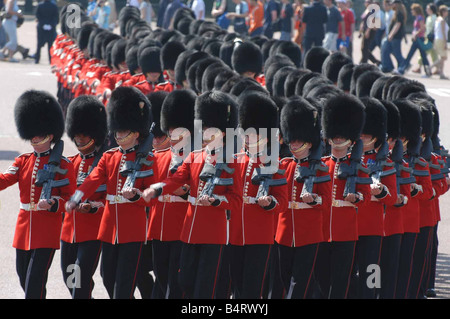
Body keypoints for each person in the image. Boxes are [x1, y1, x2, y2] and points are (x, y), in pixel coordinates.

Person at [143, 91, 243, 299]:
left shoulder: (232, 161)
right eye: (205, 128)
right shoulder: (194, 157)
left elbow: (236, 200)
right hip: (189, 231)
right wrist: (157, 189)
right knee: (184, 280)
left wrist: (217, 201)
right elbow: (177, 179)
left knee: (204, 287)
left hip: (214, 232)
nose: (206, 132)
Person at [65, 87, 158, 299]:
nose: (117, 136)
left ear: (136, 133)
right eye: (116, 131)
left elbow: (153, 195)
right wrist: (77, 196)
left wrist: (136, 196)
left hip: (132, 228)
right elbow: (93, 179)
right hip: (109, 228)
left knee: (124, 284)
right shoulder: (109, 157)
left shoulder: (148, 160)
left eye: (122, 132)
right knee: (108, 277)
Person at [0, 90, 76, 299]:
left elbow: (70, 197)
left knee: (34, 282)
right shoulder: (23, 161)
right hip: (24, 229)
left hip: (47, 230)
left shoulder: (63, 164)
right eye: (32, 133)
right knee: (24, 279)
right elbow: (4, 180)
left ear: (50, 135)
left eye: (39, 134)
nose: (34, 137)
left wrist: (53, 204)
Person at [315, 94, 371, 299]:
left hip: (346, 230)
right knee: (322, 278)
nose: (338, 140)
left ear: (350, 139)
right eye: (335, 136)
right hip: (321, 230)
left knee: (341, 280)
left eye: (341, 137)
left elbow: (365, 196)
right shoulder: (320, 165)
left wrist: (356, 198)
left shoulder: (359, 167)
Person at [277, 96, 330, 299]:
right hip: (283, 231)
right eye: (292, 139)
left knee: (301, 281)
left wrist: (314, 200)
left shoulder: (320, 168)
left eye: (299, 140)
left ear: (309, 142)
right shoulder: (284, 165)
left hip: (308, 231)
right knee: (285, 276)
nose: (294, 143)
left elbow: (326, 201)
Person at [61, 95, 107, 299]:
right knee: (70, 278)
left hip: (92, 230)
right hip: (69, 230)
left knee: (80, 278)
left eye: (83, 135)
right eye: (77, 135)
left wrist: (93, 206)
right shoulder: (69, 163)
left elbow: (109, 199)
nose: (79, 139)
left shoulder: (104, 164)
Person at [396, 3, 431, 77]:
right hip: (416, 39)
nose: (411, 11)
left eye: (412, 10)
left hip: (419, 39)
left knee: (419, 56)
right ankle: (402, 69)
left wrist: (415, 34)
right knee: (415, 55)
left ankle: (402, 69)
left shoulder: (420, 18)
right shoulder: (417, 17)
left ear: (416, 10)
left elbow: (422, 28)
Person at [380, 0, 406, 73]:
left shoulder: (399, 13)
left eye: (393, 3)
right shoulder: (396, 12)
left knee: (397, 53)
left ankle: (401, 68)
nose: (391, 4)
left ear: (397, 4)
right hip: (393, 36)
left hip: (396, 37)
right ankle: (387, 67)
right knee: (386, 50)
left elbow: (398, 24)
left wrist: (391, 34)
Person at [413, 3, 438, 75]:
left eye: (427, 8)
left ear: (431, 9)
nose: (426, 10)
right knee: (434, 54)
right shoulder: (429, 17)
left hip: (431, 38)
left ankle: (419, 67)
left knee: (424, 53)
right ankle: (437, 68)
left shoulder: (434, 17)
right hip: (428, 37)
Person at [33, 0, 59, 64]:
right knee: (50, 44)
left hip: (41, 27)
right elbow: (56, 17)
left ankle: (37, 59)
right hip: (51, 27)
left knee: (39, 44)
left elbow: (37, 15)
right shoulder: (54, 6)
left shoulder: (40, 5)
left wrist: (43, 24)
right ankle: (51, 60)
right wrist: (51, 24)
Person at [359, 0, 381, 65]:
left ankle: (364, 62)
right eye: (366, 2)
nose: (366, 3)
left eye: (368, 2)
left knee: (364, 48)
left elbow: (372, 21)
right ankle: (375, 61)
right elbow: (363, 20)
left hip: (370, 31)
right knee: (364, 48)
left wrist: (368, 31)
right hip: (365, 30)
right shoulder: (366, 10)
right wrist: (361, 29)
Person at [430, 5, 448, 80]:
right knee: (444, 57)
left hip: (437, 39)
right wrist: (445, 43)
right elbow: (443, 32)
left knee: (442, 57)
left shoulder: (437, 19)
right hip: (441, 39)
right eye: (446, 11)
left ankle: (441, 73)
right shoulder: (442, 20)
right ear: (443, 12)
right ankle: (431, 67)